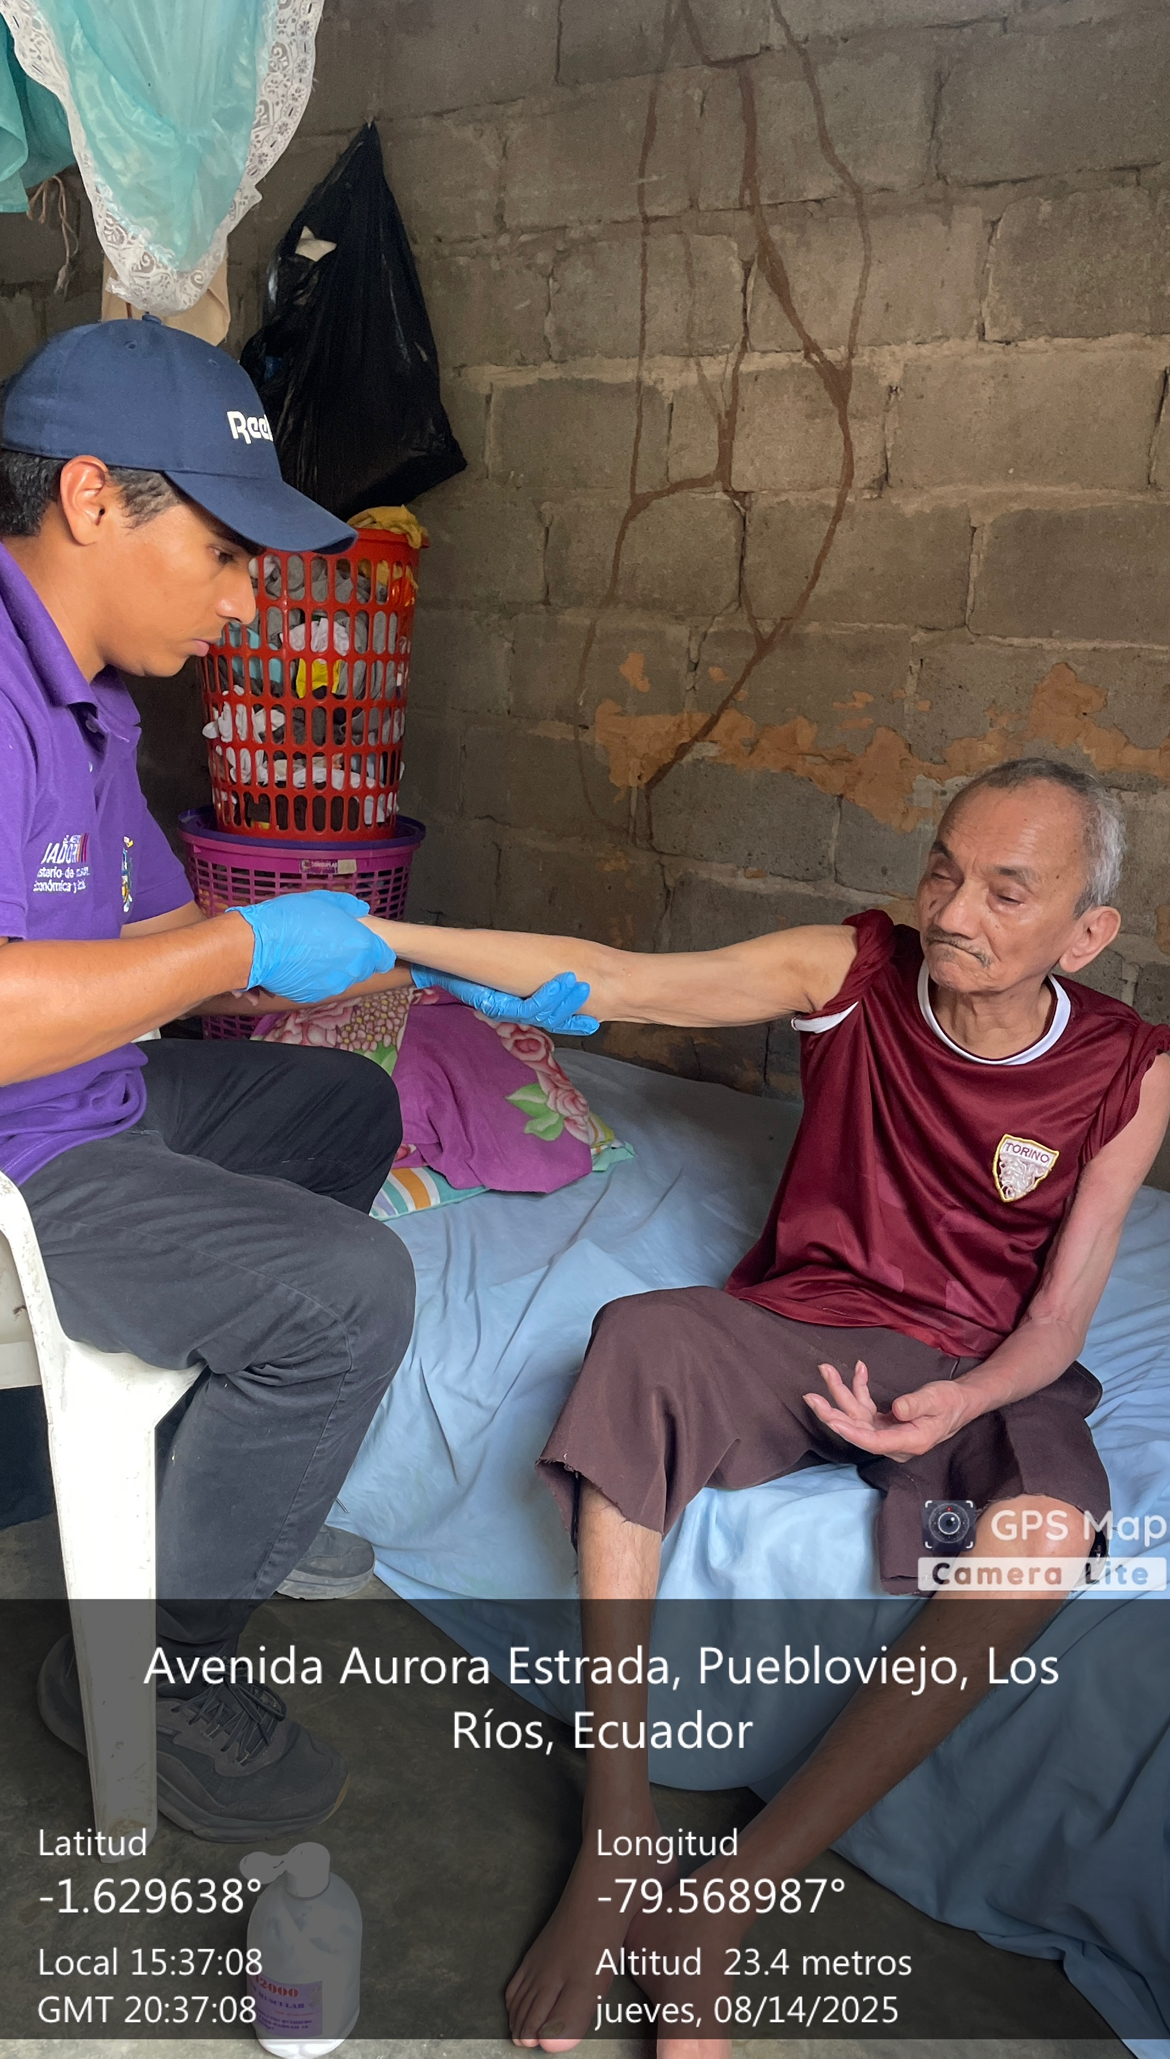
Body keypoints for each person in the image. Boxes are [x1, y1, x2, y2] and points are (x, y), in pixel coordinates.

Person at [363, 757, 1170, 2053]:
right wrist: (377, 937)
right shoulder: (848, 970)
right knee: (638, 1344)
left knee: (1048, 1532)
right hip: (807, 1315)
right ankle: (618, 1832)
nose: (954, 911)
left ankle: (721, 1904)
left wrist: (957, 1401)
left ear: (1085, 933)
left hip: (980, 1360)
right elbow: (612, 977)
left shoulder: (1127, 1067)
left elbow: (1059, 1320)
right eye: (944, 870)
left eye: (1006, 892)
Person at [0, 318, 582, 1842]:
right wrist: (241, 942)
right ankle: (151, 1671)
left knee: (341, 1105)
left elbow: (154, 944)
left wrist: (394, 964)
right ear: (91, 499)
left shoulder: (82, 700)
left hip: (79, 1102)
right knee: (347, 1294)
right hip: (14, 1164)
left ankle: (200, 1478)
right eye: (223, 552)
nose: (246, 600)